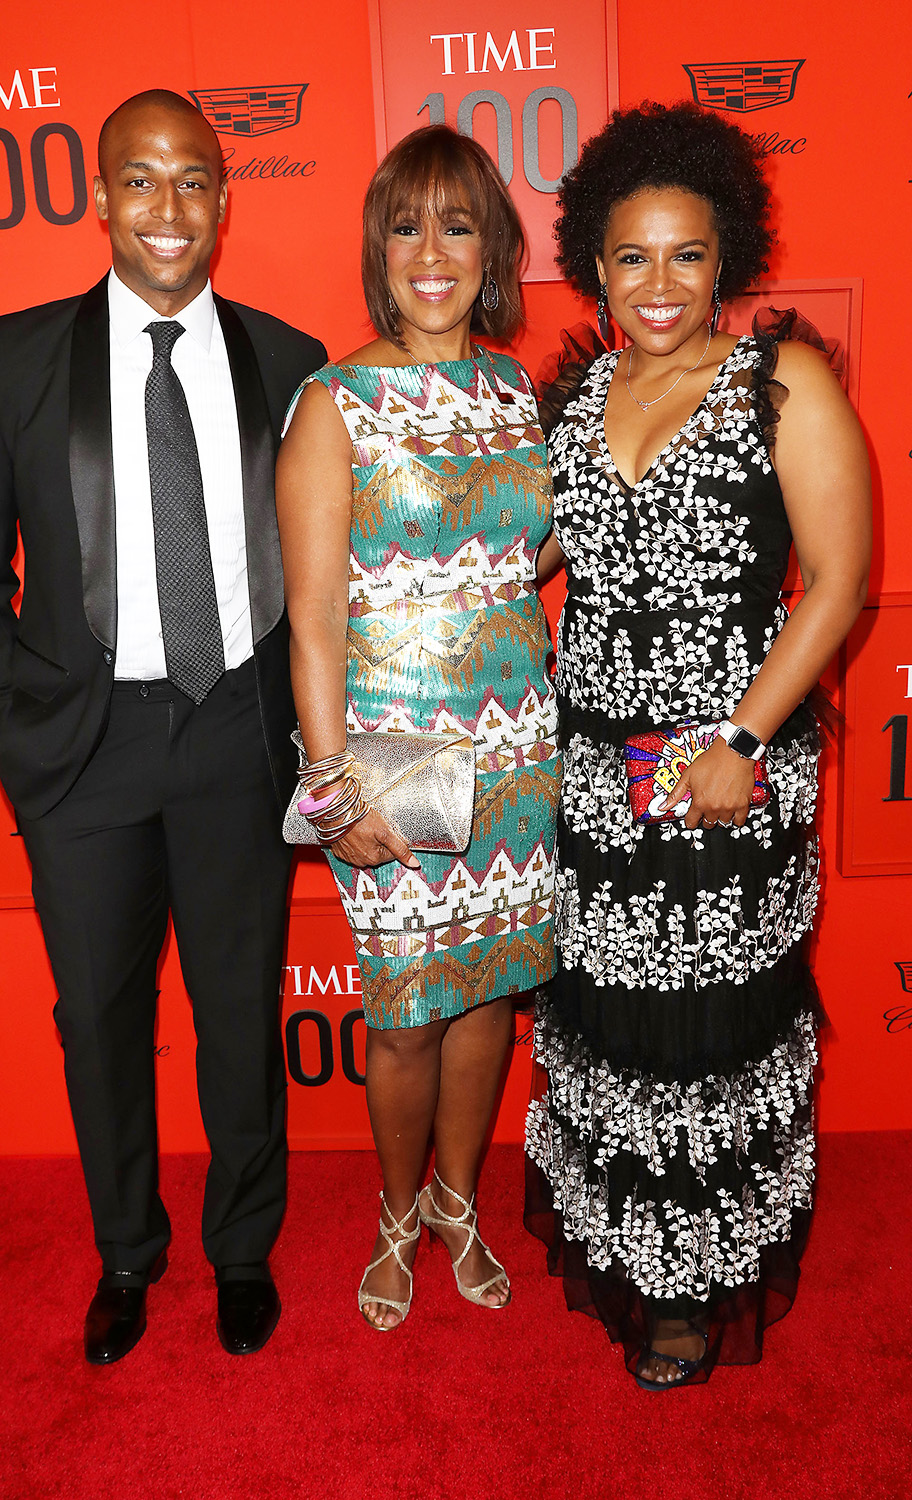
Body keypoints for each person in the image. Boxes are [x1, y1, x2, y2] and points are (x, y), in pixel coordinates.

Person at [0, 90, 325, 1363]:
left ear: (224, 198)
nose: (169, 208)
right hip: (82, 755)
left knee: (234, 1012)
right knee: (98, 1017)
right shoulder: (11, 358)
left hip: (235, 737)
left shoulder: (291, 360)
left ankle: (242, 1248)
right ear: (99, 197)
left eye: (195, 181)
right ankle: (125, 1253)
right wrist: (18, 739)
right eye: (141, 181)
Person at [525, 102, 871, 1388]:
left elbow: (835, 581)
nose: (657, 284)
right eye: (630, 257)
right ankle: (630, 1246)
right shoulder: (573, 396)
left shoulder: (782, 385)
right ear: (594, 267)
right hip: (596, 779)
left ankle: (698, 1286)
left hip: (729, 769)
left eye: (684, 254)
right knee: (616, 1024)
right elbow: (524, 556)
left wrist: (739, 738)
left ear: (724, 257)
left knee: (716, 1027)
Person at [276, 124, 560, 1330]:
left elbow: (523, 552)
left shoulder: (508, 388)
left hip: (516, 745)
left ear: (491, 244)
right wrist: (336, 794)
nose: (431, 252)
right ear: (377, 249)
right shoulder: (332, 405)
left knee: (488, 996)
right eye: (407, 226)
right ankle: (397, 1215)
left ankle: (458, 1204)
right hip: (396, 757)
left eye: (457, 225)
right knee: (401, 1013)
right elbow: (313, 628)